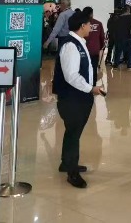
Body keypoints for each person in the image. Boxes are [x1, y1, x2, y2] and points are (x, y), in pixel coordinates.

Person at [52, 11, 105, 188]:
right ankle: (72, 173)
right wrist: (91, 88)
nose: (91, 27)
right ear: (82, 26)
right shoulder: (70, 45)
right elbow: (71, 76)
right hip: (71, 98)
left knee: (72, 132)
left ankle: (66, 163)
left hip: (79, 96)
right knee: (74, 134)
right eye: (89, 24)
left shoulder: (79, 42)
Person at [82, 7, 106, 84]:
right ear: (92, 14)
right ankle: (93, 85)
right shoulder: (98, 23)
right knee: (93, 68)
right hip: (94, 50)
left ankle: (84, 84)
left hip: (83, 50)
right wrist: (100, 47)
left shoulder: (81, 24)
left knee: (83, 68)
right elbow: (102, 38)